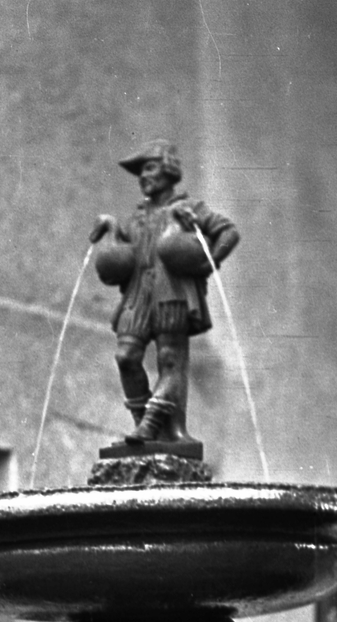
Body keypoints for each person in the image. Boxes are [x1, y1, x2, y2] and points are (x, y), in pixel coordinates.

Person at [89, 138, 239, 447]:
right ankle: (144, 426)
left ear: (168, 168)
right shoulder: (138, 216)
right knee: (126, 357)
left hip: (171, 293)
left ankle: (150, 429)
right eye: (141, 171)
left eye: (150, 167)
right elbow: (126, 250)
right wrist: (113, 228)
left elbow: (229, 232)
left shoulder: (189, 208)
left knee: (170, 360)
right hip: (138, 295)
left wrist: (208, 261)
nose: (144, 176)